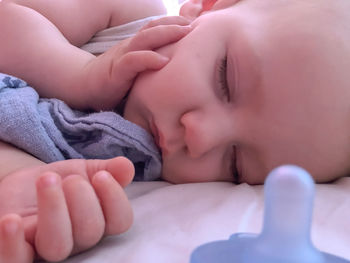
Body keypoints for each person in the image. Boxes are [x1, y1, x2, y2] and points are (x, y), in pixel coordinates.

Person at [1, 0, 350, 261]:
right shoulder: (121, 13)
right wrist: (79, 74)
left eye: (235, 163)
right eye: (224, 78)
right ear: (205, 8)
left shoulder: (132, 169)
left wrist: (28, 187)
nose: (200, 136)